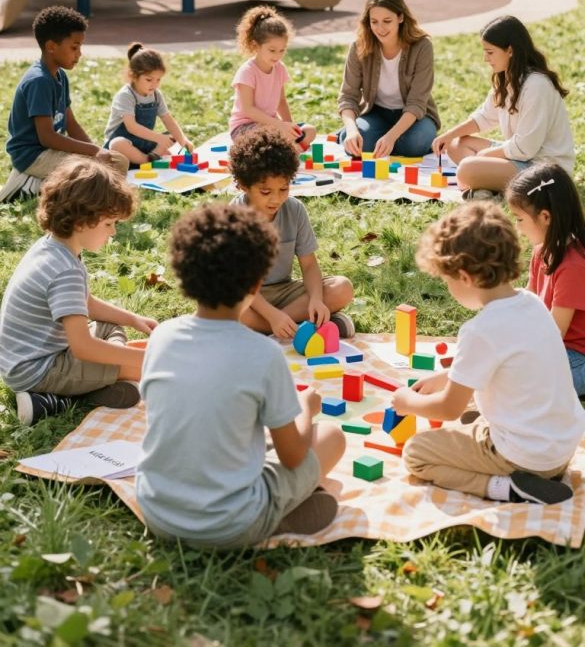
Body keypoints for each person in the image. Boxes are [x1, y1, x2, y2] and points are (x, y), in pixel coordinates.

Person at [136, 202, 345, 547]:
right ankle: (274, 519)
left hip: (157, 512)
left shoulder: (161, 336)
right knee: (331, 438)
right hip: (230, 523)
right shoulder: (263, 354)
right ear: (258, 283)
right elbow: (293, 456)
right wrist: (306, 406)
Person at [395, 202, 585, 505]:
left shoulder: (480, 330)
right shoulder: (532, 304)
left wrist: (409, 402)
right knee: (474, 418)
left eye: (447, 282)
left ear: (465, 277)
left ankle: (508, 488)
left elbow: (447, 409)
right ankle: (527, 475)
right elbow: (511, 355)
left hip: (526, 459)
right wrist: (446, 377)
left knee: (417, 453)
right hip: (561, 450)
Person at [0, 158, 156, 426]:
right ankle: (58, 400)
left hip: (25, 358)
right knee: (145, 368)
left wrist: (131, 319)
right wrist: (147, 358)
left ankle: (90, 386)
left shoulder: (54, 247)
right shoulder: (64, 270)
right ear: (83, 221)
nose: (114, 233)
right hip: (38, 369)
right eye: (109, 224)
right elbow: (83, 347)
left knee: (112, 327)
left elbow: (84, 303)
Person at [230, 127, 354, 339]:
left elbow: (309, 264)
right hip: (248, 297)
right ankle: (296, 326)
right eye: (266, 192)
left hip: (286, 293)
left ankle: (276, 327)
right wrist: (272, 316)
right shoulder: (234, 217)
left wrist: (316, 299)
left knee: (342, 288)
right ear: (243, 185)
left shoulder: (294, 209)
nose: (276, 199)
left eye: (284, 189)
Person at [432, 15, 574, 196]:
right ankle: (485, 184)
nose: (485, 58)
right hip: (522, 158)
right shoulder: (507, 78)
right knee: (456, 144)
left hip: (544, 169)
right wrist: (448, 135)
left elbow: (525, 148)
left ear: (510, 51)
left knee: (467, 168)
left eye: (490, 52)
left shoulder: (537, 86)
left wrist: (483, 157)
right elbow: (484, 117)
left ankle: (482, 182)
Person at [1, 5, 128, 203]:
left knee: (118, 161)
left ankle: (53, 183)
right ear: (51, 47)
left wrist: (96, 149)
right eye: (74, 47)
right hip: (32, 156)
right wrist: (93, 153)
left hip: (52, 151)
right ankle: (30, 186)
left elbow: (70, 123)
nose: (79, 54)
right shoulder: (39, 81)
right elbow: (47, 138)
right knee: (91, 172)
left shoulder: (59, 74)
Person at [507, 162, 585, 397]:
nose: (517, 228)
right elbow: (529, 300)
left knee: (517, 383)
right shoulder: (543, 249)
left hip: (575, 358)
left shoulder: (573, 266)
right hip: (553, 347)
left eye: (519, 219)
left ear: (545, 217)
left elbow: (552, 335)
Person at [338, 0, 440, 159]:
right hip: (377, 113)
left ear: (400, 17)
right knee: (355, 144)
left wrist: (391, 137)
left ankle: (398, 139)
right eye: (374, 21)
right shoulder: (358, 47)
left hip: (414, 117)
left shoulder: (422, 47)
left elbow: (416, 103)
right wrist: (351, 130)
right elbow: (348, 96)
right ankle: (369, 134)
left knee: (414, 144)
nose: (380, 28)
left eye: (387, 21)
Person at [229, 5, 316, 150]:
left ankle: (290, 149)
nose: (277, 55)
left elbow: (281, 101)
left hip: (273, 126)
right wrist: (279, 125)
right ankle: (290, 151)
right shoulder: (247, 72)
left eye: (282, 50)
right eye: (272, 50)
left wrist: (291, 127)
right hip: (244, 128)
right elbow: (248, 109)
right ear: (256, 45)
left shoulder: (279, 68)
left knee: (310, 130)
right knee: (271, 135)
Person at [104, 43, 193, 166]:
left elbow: (168, 120)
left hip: (145, 143)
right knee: (117, 144)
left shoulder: (156, 95)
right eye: (149, 80)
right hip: (123, 146)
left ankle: (152, 156)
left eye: (158, 80)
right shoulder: (126, 95)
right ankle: (146, 161)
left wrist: (182, 141)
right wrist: (159, 138)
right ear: (133, 76)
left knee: (172, 138)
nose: (154, 85)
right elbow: (132, 127)